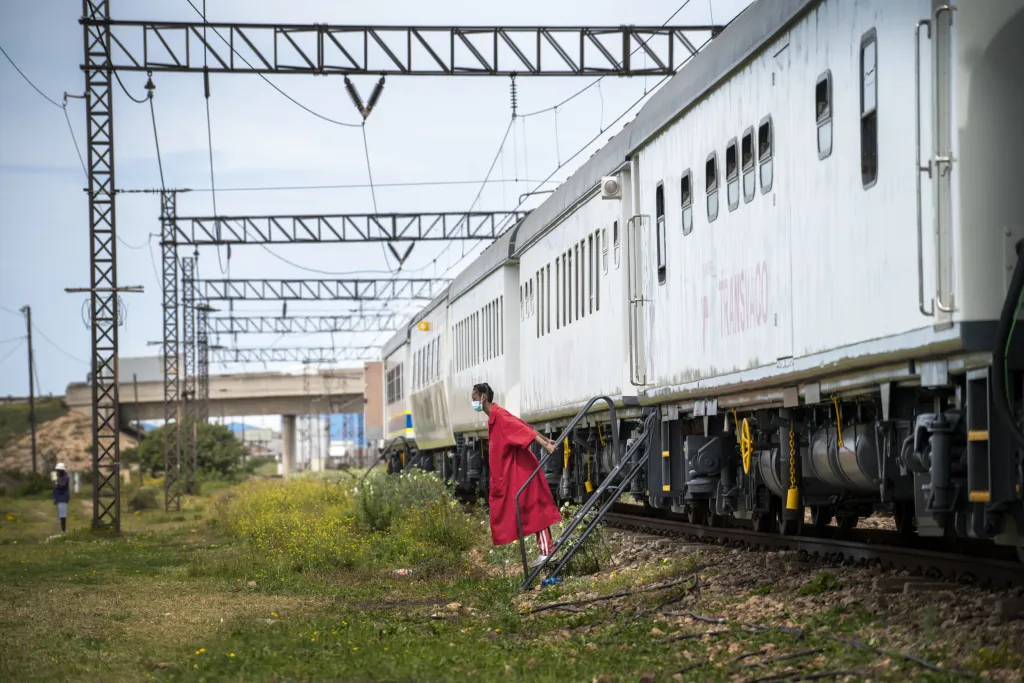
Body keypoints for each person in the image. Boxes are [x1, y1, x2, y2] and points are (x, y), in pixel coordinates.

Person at [472, 382, 563, 569]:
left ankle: (547, 551)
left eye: (474, 399)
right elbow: (523, 426)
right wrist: (545, 439)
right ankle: (545, 550)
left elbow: (523, 430)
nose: (472, 403)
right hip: (512, 472)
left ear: (483, 398)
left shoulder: (500, 417)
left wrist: (546, 446)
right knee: (526, 509)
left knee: (535, 509)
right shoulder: (496, 417)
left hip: (520, 471)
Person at [53, 462, 70, 533]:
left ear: (62, 471)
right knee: (60, 514)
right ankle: (63, 529)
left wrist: (57, 480)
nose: (57, 472)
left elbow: (62, 485)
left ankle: (63, 530)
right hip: (59, 498)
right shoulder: (59, 478)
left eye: (58, 470)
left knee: (63, 515)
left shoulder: (65, 477)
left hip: (63, 498)